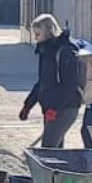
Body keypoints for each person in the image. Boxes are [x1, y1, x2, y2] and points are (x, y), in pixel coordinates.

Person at [19, 15, 82, 147]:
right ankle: (59, 168)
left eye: (37, 34)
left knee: (48, 149)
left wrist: (55, 109)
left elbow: (70, 86)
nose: (35, 38)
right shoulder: (46, 52)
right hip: (50, 110)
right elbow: (42, 83)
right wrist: (28, 105)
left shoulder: (65, 51)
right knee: (55, 151)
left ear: (48, 31)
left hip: (65, 108)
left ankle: (50, 168)